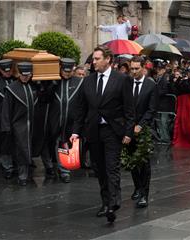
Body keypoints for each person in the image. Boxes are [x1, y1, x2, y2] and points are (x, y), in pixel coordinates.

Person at [70, 46, 135, 223]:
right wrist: (76, 132)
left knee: (111, 167)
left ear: (108, 59)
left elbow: (129, 109)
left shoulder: (121, 80)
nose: (94, 61)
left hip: (113, 131)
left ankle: (113, 203)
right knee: (99, 168)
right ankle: (105, 202)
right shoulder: (88, 81)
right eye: (93, 59)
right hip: (93, 131)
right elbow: (80, 109)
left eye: (97, 58)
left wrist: (129, 131)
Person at [47, 58, 84, 183]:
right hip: (55, 120)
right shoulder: (54, 82)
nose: (66, 74)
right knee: (53, 143)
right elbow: (45, 98)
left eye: (69, 71)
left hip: (71, 121)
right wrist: (52, 84)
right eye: (64, 71)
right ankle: (54, 166)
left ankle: (64, 170)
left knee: (65, 143)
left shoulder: (79, 82)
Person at [1, 62, 37, 186]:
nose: (25, 77)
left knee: (30, 148)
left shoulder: (34, 86)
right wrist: (6, 127)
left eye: (28, 75)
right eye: (23, 75)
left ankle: (27, 171)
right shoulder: (12, 88)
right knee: (21, 149)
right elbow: (6, 109)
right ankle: (22, 175)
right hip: (18, 125)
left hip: (33, 124)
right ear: (18, 74)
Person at [128, 56, 157, 208]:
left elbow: (152, 109)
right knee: (132, 161)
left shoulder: (150, 85)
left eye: (136, 69)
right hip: (129, 128)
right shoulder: (126, 83)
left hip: (144, 129)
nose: (133, 71)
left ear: (143, 68)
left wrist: (140, 125)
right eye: (131, 69)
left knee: (144, 163)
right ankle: (137, 187)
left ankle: (144, 193)